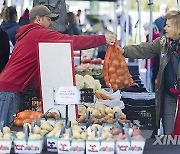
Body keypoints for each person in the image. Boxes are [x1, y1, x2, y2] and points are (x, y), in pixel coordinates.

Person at [0, 5, 116, 126]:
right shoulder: (40, 33)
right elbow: (72, 41)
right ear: (38, 19)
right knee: (4, 133)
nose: (51, 23)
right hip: (10, 91)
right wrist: (102, 39)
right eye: (49, 19)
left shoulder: (28, 34)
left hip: (9, 86)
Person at [119, 10, 180, 135]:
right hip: (169, 93)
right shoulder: (163, 42)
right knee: (169, 132)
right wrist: (123, 51)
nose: (165, 28)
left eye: (168, 26)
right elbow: (145, 49)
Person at [143, 22, 161, 92]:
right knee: (150, 78)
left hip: (153, 61)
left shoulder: (154, 36)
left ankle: (151, 91)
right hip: (151, 61)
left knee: (151, 78)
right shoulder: (151, 36)